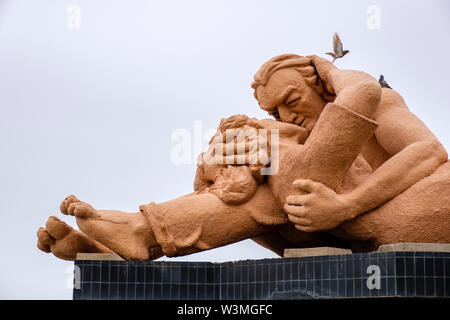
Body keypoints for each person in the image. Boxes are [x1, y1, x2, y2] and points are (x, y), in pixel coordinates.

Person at [37, 54, 450, 261]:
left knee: (272, 159)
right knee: (266, 180)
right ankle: (137, 242)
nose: (289, 115)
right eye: (276, 111)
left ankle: (145, 233)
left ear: (322, 84)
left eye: (292, 100)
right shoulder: (306, 144)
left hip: (423, 207)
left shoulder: (373, 102)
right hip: (348, 232)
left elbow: (429, 152)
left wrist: (347, 204)